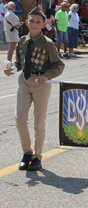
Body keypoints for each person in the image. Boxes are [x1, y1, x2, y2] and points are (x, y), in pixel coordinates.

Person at [3, 9, 65, 171]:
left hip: (41, 82)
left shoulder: (48, 44)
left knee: (39, 120)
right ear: (26, 22)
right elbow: (19, 63)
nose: (34, 24)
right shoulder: (22, 41)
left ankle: (37, 156)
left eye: (38, 22)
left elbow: (59, 65)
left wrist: (47, 75)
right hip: (25, 79)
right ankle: (27, 152)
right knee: (20, 118)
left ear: (44, 24)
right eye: (32, 21)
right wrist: (11, 69)